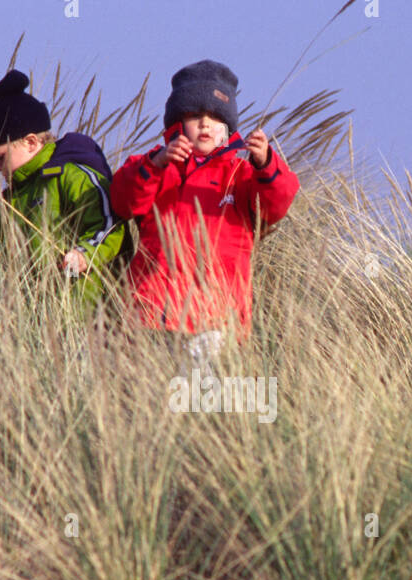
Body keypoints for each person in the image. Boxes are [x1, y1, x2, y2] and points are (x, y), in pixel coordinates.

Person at [109, 59, 299, 374]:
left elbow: (276, 205)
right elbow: (124, 202)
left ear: (228, 126)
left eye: (214, 117)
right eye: (195, 116)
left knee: (201, 403)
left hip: (215, 318)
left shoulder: (241, 173)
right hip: (153, 311)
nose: (205, 124)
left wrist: (266, 163)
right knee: (149, 400)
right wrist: (156, 164)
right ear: (178, 123)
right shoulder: (155, 164)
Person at [0, 69, 126, 311]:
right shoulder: (11, 200)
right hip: (38, 320)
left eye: (0, 157)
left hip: (90, 313)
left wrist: (84, 254)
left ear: (31, 142)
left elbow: (110, 224)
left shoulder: (72, 176)